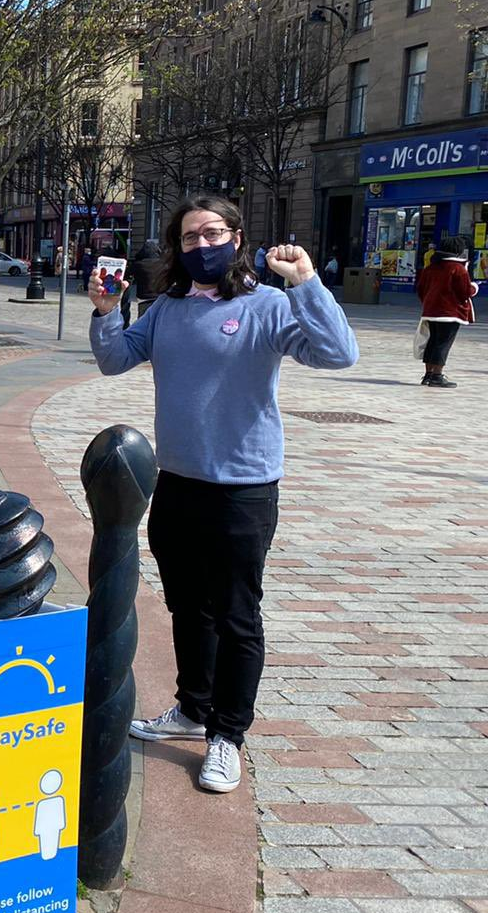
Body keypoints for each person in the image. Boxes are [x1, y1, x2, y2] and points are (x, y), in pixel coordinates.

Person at [88, 194, 358, 795]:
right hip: (177, 484)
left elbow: (339, 354)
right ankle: (193, 707)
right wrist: (106, 312)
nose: (202, 245)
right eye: (190, 237)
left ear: (236, 238)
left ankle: (227, 735)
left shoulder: (267, 306)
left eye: (213, 233)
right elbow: (114, 360)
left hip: (243, 488)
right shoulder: (167, 308)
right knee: (188, 608)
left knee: (237, 615)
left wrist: (307, 283)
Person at [416, 234, 477, 388]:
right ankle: (437, 375)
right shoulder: (458, 269)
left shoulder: (430, 268)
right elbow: (465, 292)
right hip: (450, 312)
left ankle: (428, 374)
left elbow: (421, 289)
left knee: (432, 341)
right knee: (443, 343)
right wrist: (474, 288)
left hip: (431, 311)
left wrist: (428, 303)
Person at [129, 236, 163, 319]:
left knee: (143, 321)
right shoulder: (163, 264)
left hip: (143, 298)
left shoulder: (138, 265)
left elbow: (128, 274)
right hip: (160, 298)